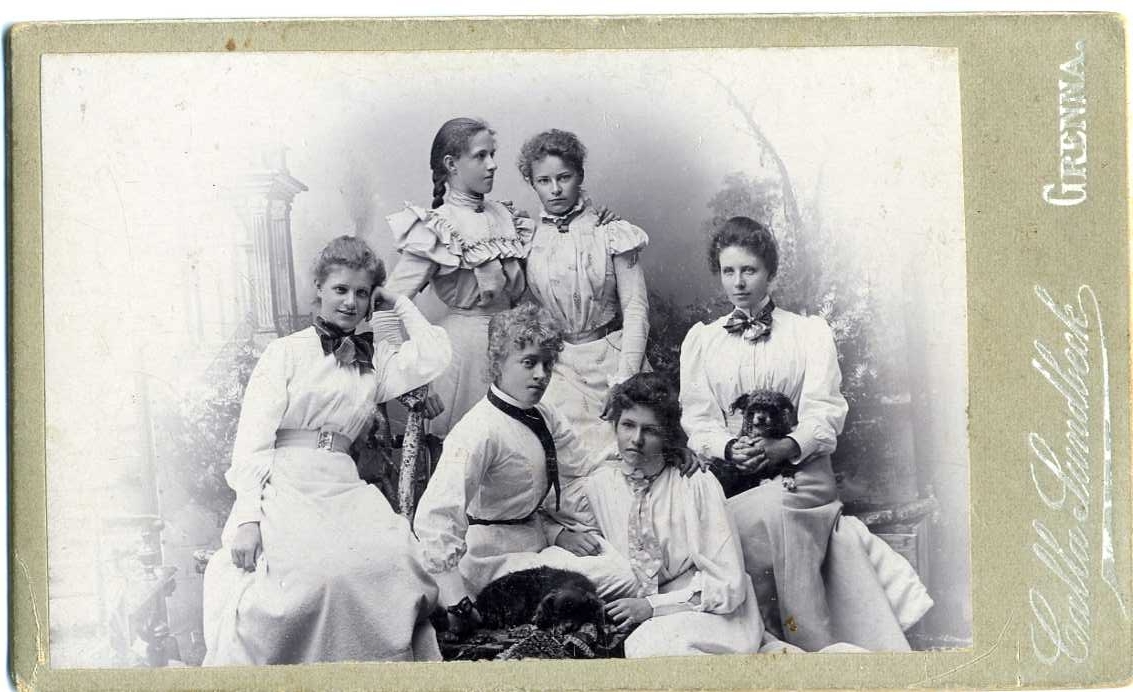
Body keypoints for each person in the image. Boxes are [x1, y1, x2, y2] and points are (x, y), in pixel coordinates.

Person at [678, 217, 932, 652]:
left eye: (749, 270)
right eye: (728, 271)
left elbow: (825, 411)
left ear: (770, 272)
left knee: (778, 508)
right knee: (721, 523)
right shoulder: (704, 341)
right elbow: (697, 419)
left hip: (802, 473)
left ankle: (811, 644)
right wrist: (729, 447)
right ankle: (753, 643)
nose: (738, 282)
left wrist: (785, 446)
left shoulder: (807, 333)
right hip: (732, 474)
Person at [202, 236, 452, 665]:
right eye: (340, 289)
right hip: (287, 484)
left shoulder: (375, 361)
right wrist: (247, 519)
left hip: (342, 485)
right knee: (317, 578)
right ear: (318, 288)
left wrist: (397, 302)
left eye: (362, 293)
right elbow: (252, 441)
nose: (351, 302)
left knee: (392, 562)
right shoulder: (285, 352)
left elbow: (435, 355)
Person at [412, 304, 637, 624]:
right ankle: (506, 607)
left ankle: (549, 605)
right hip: (491, 559)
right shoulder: (477, 430)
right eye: (529, 363)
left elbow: (581, 469)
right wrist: (455, 601)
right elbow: (436, 517)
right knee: (610, 582)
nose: (541, 375)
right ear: (498, 364)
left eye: (548, 363)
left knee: (623, 571)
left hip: (535, 543)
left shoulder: (544, 413)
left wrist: (557, 533)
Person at [579, 373, 764, 657]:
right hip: (638, 609)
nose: (636, 439)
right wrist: (559, 533)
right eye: (628, 425)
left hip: (712, 611)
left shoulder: (695, 483)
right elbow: (548, 506)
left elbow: (729, 585)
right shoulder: (600, 483)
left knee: (649, 646)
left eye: (650, 430)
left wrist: (652, 607)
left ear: (666, 434)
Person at [373, 117, 535, 438]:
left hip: (515, 351)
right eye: (480, 156)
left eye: (492, 154)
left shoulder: (508, 217)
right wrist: (412, 382)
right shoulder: (437, 226)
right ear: (451, 164)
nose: (492, 165)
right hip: (462, 360)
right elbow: (384, 310)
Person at [517, 129, 650, 458]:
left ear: (580, 175)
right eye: (544, 181)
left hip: (613, 363)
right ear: (532, 183)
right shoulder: (527, 237)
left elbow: (636, 310)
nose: (555, 189)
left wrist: (624, 380)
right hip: (559, 370)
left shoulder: (610, 231)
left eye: (564, 177)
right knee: (566, 464)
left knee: (627, 459)